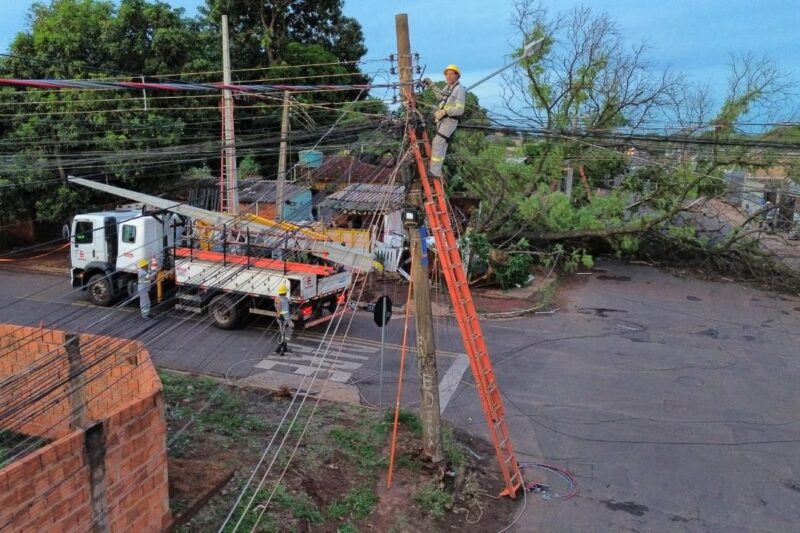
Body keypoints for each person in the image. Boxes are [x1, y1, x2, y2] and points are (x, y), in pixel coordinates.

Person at [426, 64, 466, 178]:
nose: (448, 76)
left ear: (457, 76)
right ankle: (436, 170)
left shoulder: (459, 89)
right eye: (447, 74)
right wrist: (431, 85)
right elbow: (441, 97)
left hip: (450, 120)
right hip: (442, 121)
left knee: (437, 143)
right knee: (442, 144)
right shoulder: (448, 87)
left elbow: (460, 110)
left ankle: (435, 171)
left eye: (451, 74)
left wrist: (445, 112)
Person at [274, 284, 293, 355]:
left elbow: (279, 307)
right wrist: (289, 321)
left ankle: (284, 348)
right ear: (285, 292)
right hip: (284, 319)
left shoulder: (277, 298)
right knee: (286, 334)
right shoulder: (284, 301)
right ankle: (279, 349)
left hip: (279, 318)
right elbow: (285, 312)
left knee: (283, 333)